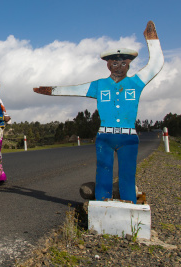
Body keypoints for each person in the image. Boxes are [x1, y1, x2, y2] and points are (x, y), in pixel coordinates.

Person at [33, 21, 164, 203]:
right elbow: (74, 89)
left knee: (127, 173)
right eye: (114, 62)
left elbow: (156, 64)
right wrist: (50, 90)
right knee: (103, 169)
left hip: (129, 137)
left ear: (129, 64)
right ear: (108, 65)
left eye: (123, 62)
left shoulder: (136, 83)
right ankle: (102, 203)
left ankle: (130, 205)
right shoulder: (99, 85)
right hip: (105, 136)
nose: (119, 66)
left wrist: (152, 39)